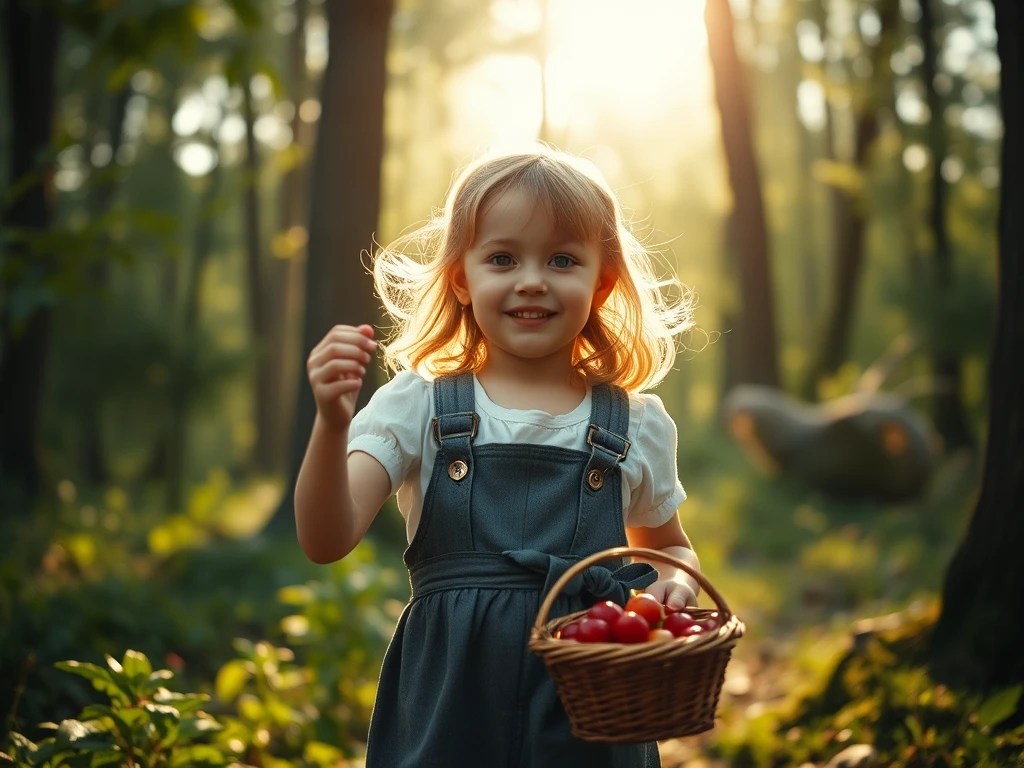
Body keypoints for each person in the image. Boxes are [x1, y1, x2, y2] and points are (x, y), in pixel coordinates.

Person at [294, 145, 702, 767]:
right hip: (451, 707)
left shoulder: (635, 422)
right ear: (462, 276)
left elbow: (667, 545)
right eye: (503, 258)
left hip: (589, 713)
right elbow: (326, 538)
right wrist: (330, 423)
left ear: (602, 281)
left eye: (563, 259)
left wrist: (675, 580)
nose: (532, 279)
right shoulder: (418, 405)